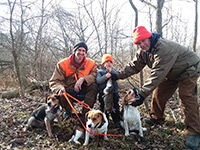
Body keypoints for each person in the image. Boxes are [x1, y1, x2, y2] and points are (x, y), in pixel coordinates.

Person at [113, 26, 200, 149]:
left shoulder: (163, 48)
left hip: (188, 69)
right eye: (139, 43)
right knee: (159, 93)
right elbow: (134, 66)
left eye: (144, 40)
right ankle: (156, 117)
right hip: (171, 72)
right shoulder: (143, 52)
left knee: (186, 96)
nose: (142, 44)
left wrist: (142, 94)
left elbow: (157, 74)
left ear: (149, 37)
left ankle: (195, 132)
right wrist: (116, 75)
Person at [49, 41, 98, 118]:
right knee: (61, 93)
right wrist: (60, 89)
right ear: (75, 51)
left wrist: (83, 79)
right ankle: (69, 113)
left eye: (83, 51)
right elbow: (54, 81)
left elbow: (94, 75)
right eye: (79, 50)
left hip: (83, 90)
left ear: (85, 53)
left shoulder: (91, 63)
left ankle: (86, 113)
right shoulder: (62, 64)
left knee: (94, 86)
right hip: (68, 92)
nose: (81, 53)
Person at [96, 54, 121, 126]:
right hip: (103, 94)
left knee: (115, 106)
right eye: (107, 62)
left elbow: (118, 76)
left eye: (110, 62)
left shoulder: (114, 70)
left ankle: (117, 121)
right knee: (104, 107)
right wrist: (105, 77)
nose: (109, 64)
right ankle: (104, 121)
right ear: (103, 64)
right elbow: (98, 81)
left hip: (114, 93)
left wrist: (112, 72)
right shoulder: (100, 72)